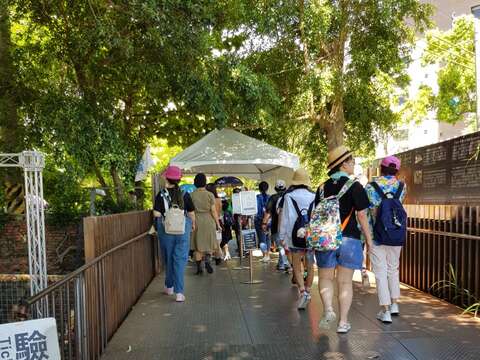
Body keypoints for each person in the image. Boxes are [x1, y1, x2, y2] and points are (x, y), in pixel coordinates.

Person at [314, 146, 373, 333]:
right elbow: (362, 216)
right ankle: (343, 322)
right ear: (343, 164)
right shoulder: (355, 186)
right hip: (349, 239)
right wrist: (370, 242)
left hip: (325, 240)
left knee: (324, 277)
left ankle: (329, 310)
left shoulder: (321, 188)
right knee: (345, 282)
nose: (354, 164)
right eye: (352, 161)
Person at [365, 155, 407, 323]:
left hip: (377, 235)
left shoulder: (370, 186)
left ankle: (385, 310)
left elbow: (368, 212)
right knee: (393, 269)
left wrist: (366, 237)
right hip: (396, 233)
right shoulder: (402, 187)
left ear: (381, 168)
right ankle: (395, 304)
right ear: (397, 170)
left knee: (380, 272)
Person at [153, 165, 196, 302]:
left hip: (166, 230)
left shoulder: (161, 194)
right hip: (182, 229)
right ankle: (179, 292)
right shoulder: (185, 194)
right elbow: (191, 213)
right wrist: (193, 224)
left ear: (167, 178)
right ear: (179, 179)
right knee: (180, 259)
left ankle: (169, 286)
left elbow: (157, 214)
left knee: (169, 258)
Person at [278, 168, 315, 310]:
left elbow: (286, 218)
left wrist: (282, 236)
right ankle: (309, 289)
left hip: (294, 237)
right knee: (310, 265)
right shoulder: (313, 196)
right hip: (310, 236)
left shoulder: (288, 197)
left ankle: (302, 291)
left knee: (296, 266)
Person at [191, 173, 221, 275]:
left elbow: (190, 211)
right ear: (205, 182)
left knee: (197, 246)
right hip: (209, 220)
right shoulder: (210, 195)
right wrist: (218, 223)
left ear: (195, 182)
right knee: (209, 243)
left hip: (197, 220)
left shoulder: (192, 195)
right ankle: (208, 261)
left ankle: (199, 267)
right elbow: (213, 211)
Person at [262, 179, 290, 271]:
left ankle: (284, 264)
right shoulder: (289, 196)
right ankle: (282, 263)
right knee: (285, 246)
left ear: (275, 188)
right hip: (289, 226)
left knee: (280, 246)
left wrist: (264, 223)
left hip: (276, 226)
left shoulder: (273, 198)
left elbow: (268, 212)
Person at [206, 183, 223, 265]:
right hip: (217, 221)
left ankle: (209, 255)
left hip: (208, 222)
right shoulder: (218, 200)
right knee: (217, 241)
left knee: (209, 240)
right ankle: (218, 257)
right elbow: (219, 212)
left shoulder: (207, 199)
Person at [255, 181, 271, 262]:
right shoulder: (270, 197)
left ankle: (265, 255)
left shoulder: (257, 197)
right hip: (269, 220)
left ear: (259, 188)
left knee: (262, 239)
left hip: (259, 220)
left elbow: (255, 210)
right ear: (267, 188)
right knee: (268, 238)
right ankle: (267, 254)